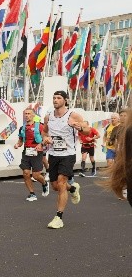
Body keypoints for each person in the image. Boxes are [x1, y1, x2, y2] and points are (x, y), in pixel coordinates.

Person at [42, 91, 90, 229]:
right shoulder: (48, 116)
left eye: (58, 98)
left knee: (62, 182)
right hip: (53, 154)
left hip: (68, 154)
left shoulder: (73, 115)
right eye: (54, 98)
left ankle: (59, 217)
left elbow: (87, 130)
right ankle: (73, 188)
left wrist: (78, 127)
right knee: (55, 186)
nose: (55, 100)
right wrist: (45, 138)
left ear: (65, 100)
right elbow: (44, 131)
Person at [14, 108, 49, 201]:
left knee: (35, 175)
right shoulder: (22, 128)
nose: (27, 115)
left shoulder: (40, 126)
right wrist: (17, 144)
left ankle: (44, 183)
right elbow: (21, 140)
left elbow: (46, 138)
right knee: (25, 173)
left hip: (37, 152)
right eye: (25, 114)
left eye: (29, 113)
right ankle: (32, 193)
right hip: (26, 152)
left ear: (33, 115)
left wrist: (41, 144)